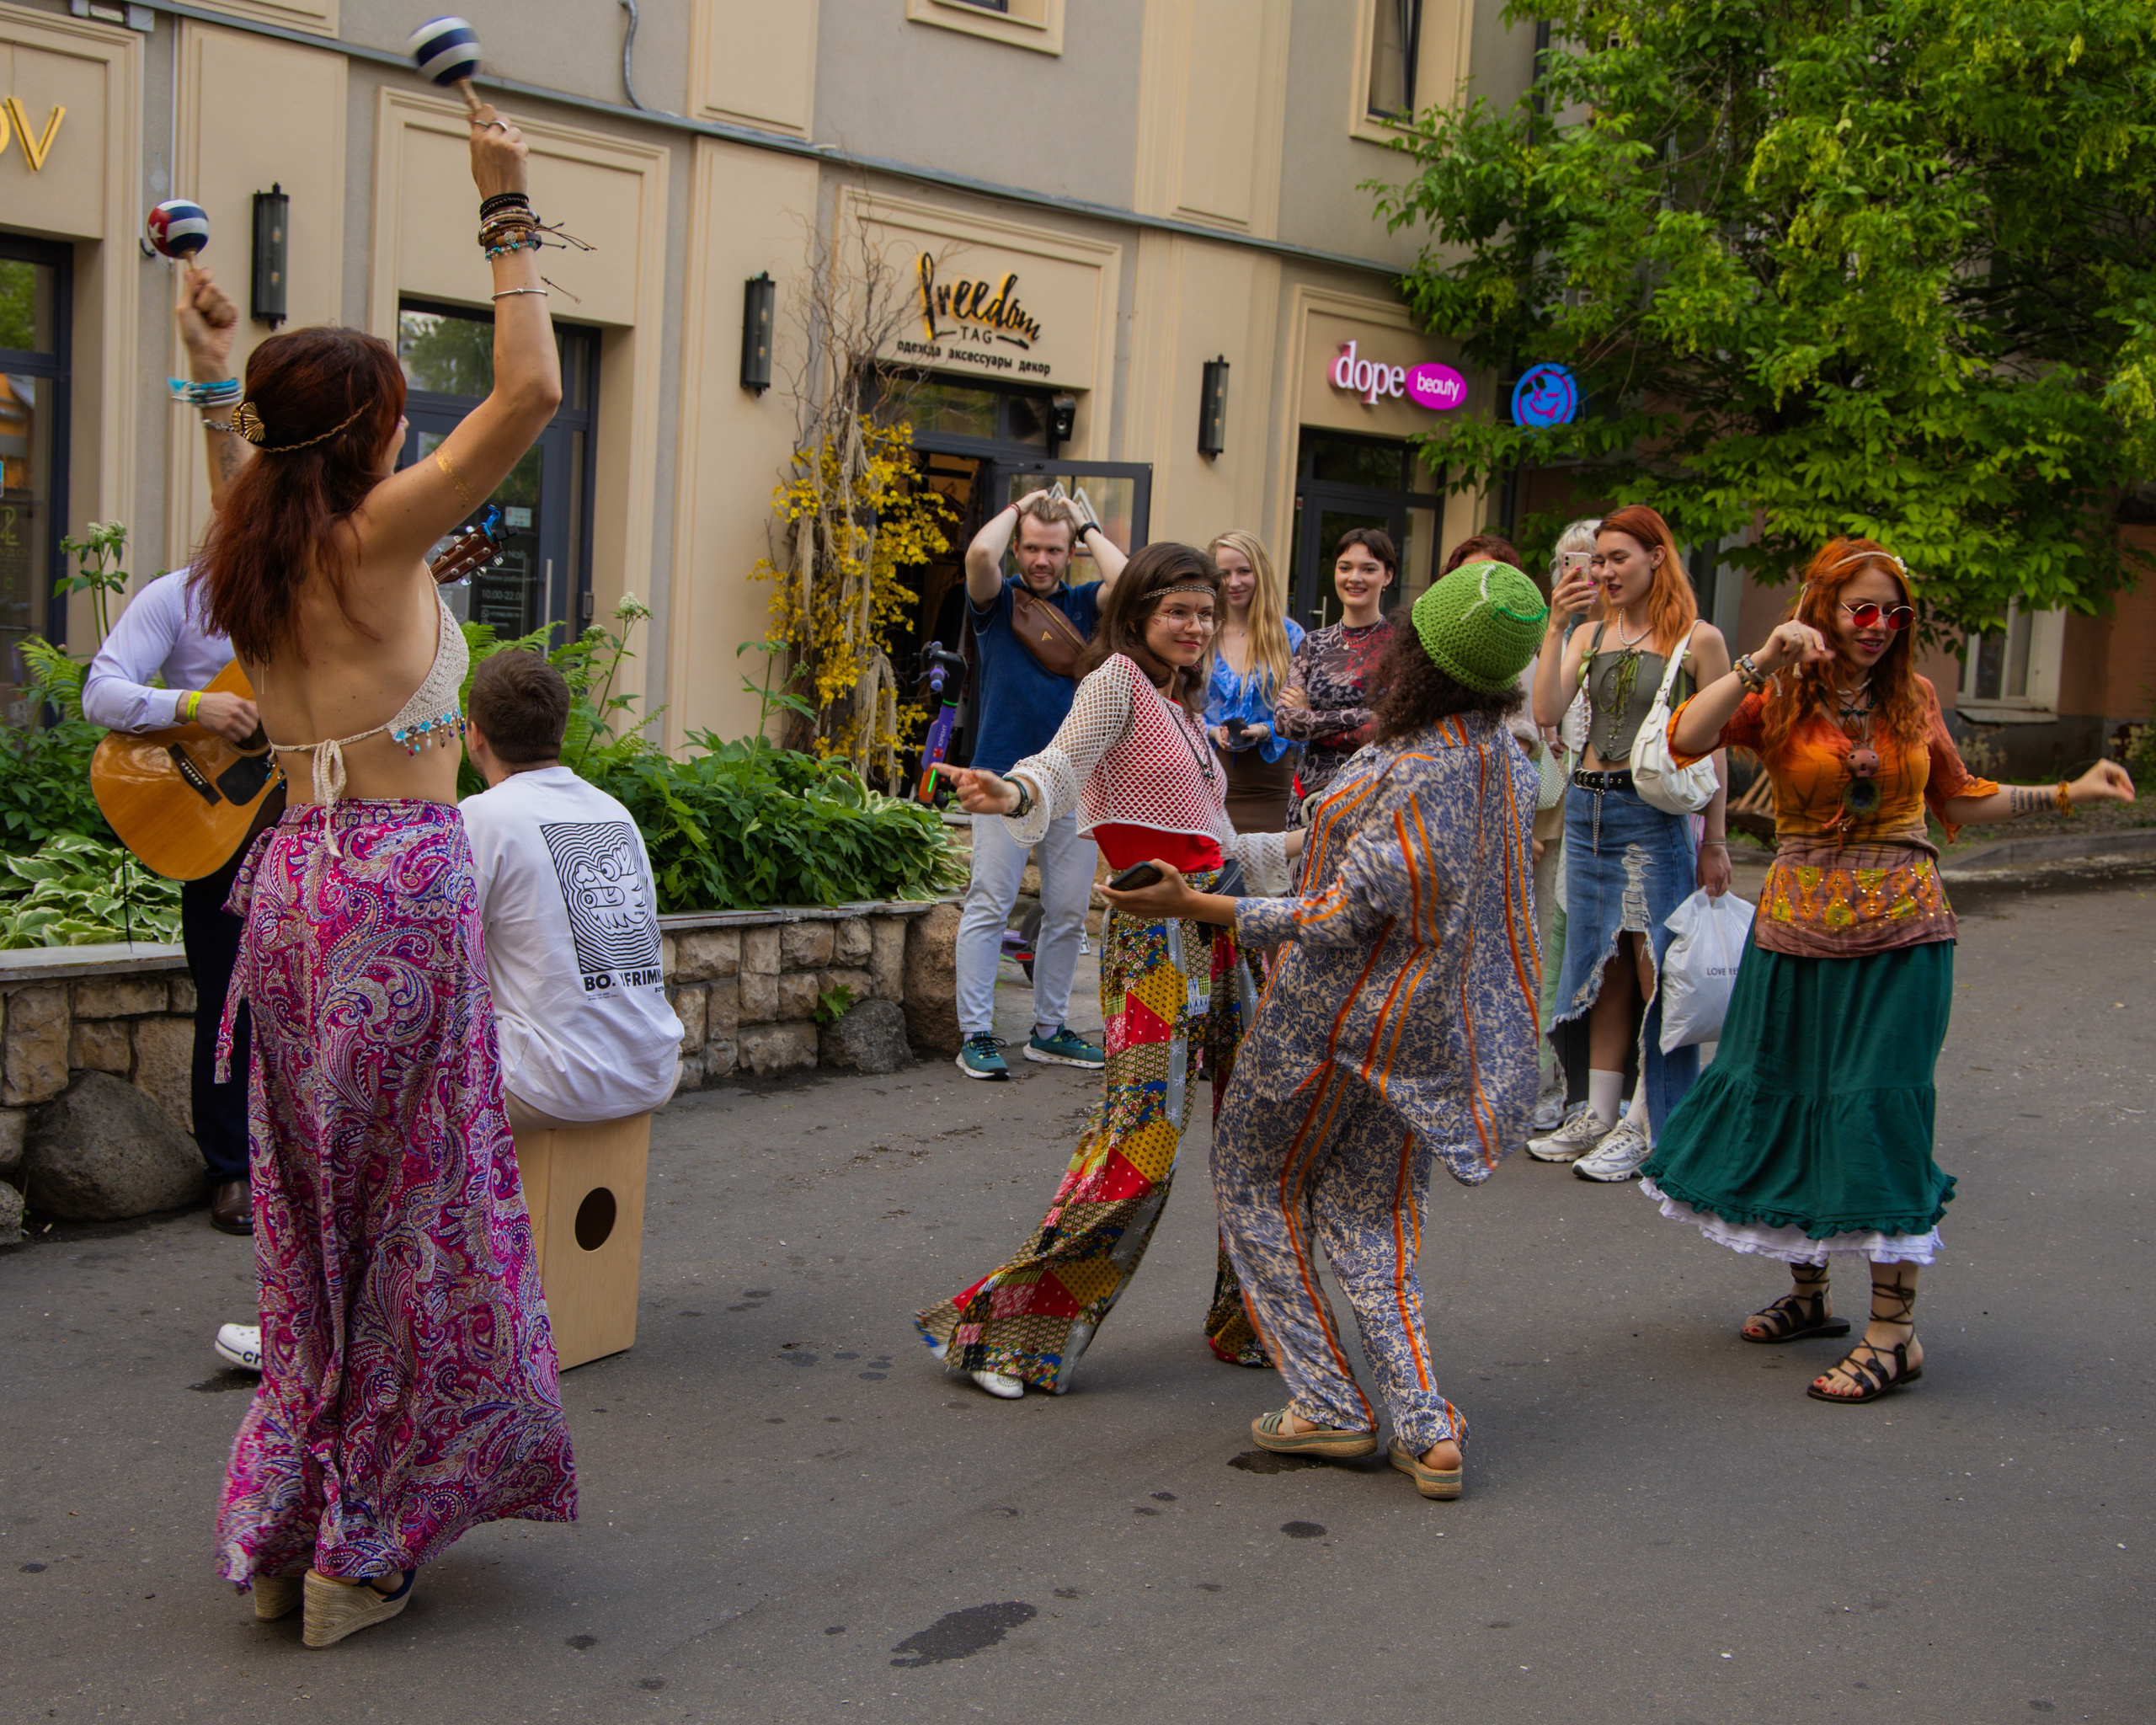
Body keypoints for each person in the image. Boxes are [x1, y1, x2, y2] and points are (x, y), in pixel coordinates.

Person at [196, 107, 575, 1649]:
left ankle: (292, 1525)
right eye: (397, 418)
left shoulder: (254, 536)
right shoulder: (369, 532)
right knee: (413, 1211)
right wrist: (507, 208)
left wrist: (212, 349)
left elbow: (240, 438)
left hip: (287, 880)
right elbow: (536, 386)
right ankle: (361, 1542)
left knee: (312, 1214)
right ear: (364, 441)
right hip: (398, 885)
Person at [1641, 538, 2134, 1403]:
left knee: (1877, 1106)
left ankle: (1893, 1333)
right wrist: (1765, 655)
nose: (1876, 627)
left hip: (1904, 931)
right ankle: (1808, 1293)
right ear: (1824, 607)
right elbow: (1686, 733)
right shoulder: (1780, 690)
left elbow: (1960, 795)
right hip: (1794, 929)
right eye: (1859, 609)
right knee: (1790, 1095)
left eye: (1891, 613)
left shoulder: (1913, 697)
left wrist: (2071, 792)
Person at [1104, 558, 1547, 1501]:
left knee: (1252, 1179)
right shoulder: (1503, 757)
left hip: (1329, 1020)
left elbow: (1337, 911)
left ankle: (1326, 1402)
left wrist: (1199, 905)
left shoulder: (1416, 768)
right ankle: (1426, 1424)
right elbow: (1328, 852)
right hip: (1425, 1042)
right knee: (1372, 1212)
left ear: (1424, 653)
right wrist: (1228, 855)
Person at [917, 543, 1302, 1397]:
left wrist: (1319, 841)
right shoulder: (1117, 683)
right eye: (1178, 610)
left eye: (1205, 611)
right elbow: (1059, 764)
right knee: (1142, 1142)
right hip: (1152, 934)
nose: (1196, 625)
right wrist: (1013, 794)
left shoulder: (1183, 705)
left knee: (1259, 1130)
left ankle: (1255, 1319)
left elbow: (1219, 844)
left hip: (1219, 925)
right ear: (1136, 613)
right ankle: (1006, 1336)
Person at [82, 268, 268, 1240]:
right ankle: (229, 1169)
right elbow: (100, 691)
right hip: (217, 823)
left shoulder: (299, 602)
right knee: (227, 999)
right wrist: (198, 705)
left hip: (300, 815)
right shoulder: (175, 596)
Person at [1528, 505, 1732, 1181]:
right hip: (1587, 810)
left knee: (1657, 970)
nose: (1605, 571)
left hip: (1652, 818)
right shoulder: (1589, 633)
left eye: (1620, 558)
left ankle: (1651, 1121)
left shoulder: (1699, 639)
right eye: (1599, 560)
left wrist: (1717, 838)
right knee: (1602, 965)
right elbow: (1549, 715)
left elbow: (1716, 743)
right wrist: (1557, 626)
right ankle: (1601, 1111)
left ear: (1656, 559)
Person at [457, 651, 682, 1130]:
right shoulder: (614, 813)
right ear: (559, 730)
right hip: (651, 1067)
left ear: (474, 733)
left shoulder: (482, 817)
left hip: (553, 1083)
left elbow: (444, 955)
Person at [953, 492, 1128, 1081]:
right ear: (1019, 547)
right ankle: (975, 1034)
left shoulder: (1085, 603)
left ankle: (1049, 1032)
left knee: (1068, 912)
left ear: (1070, 550)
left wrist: (1088, 524)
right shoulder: (996, 604)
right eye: (1030, 547)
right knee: (989, 904)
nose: (1041, 560)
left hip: (1074, 778)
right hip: (1001, 772)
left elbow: (1129, 582)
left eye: (1055, 549)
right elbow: (980, 552)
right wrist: (1019, 504)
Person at [1526, 518, 1600, 1130]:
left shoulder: (1640, 637)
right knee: (1549, 941)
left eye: (1592, 560)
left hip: (1618, 813)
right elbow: (1539, 723)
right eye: (1566, 560)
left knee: (1604, 950)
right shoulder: (1548, 637)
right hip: (1555, 815)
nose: (1578, 573)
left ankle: (1603, 1090)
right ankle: (1550, 1079)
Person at [1274, 528, 1397, 826]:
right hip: (1308, 799)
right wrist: (1363, 715)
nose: (1354, 578)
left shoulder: (1401, 646)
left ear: (1387, 576)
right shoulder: (1313, 643)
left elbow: (1387, 728)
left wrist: (1312, 717)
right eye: (1345, 568)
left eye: (1368, 569)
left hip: (1370, 796)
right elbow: (1284, 722)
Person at [1203, 530, 1304, 832]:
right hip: (1207, 780)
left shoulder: (1290, 637)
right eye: (1224, 573)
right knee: (1212, 877)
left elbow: (1304, 716)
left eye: (1243, 571)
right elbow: (1180, 707)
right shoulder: (1202, 633)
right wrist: (1210, 730)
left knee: (1268, 877)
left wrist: (1265, 730)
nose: (1234, 582)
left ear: (1259, 572)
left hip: (1270, 783)